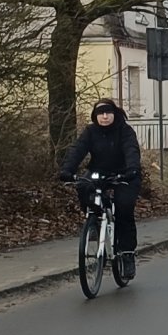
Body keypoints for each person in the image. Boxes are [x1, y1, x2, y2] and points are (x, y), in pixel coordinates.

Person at [57, 98, 143, 279]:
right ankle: (95, 224)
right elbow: (77, 150)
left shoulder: (125, 131)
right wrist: (67, 170)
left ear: (114, 113)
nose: (104, 116)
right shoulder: (91, 132)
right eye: (100, 113)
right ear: (95, 116)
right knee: (83, 186)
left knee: (124, 207)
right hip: (99, 172)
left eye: (107, 113)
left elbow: (131, 151)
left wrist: (132, 170)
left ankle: (127, 254)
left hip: (124, 174)